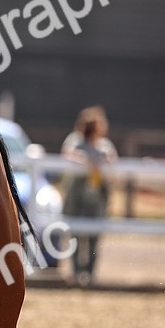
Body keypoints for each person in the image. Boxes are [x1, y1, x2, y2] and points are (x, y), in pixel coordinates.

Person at [61, 106, 119, 286]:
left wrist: (103, 160)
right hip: (77, 196)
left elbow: (112, 160)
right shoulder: (76, 141)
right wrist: (88, 160)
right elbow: (68, 153)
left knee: (94, 237)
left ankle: (90, 274)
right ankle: (77, 273)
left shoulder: (104, 145)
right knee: (76, 235)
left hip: (96, 198)